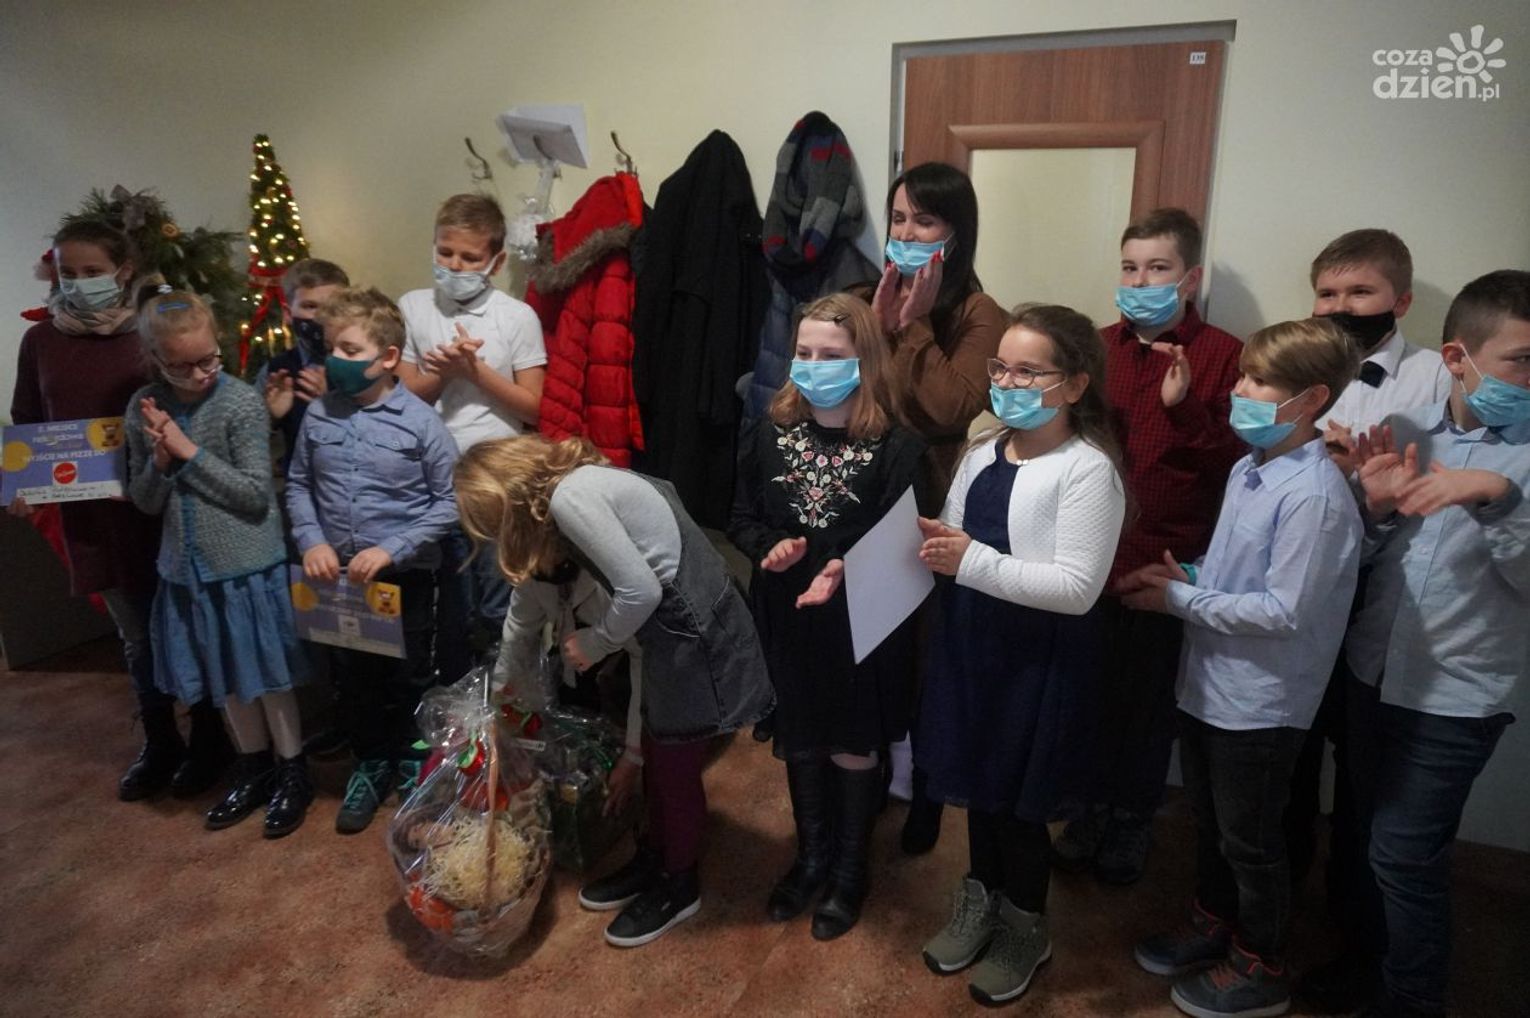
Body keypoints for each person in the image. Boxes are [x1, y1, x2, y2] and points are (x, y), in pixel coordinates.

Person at [1124, 318, 1362, 1018]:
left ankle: (1263, 962)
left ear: (1312, 399)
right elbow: (1237, 570)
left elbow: (1284, 611)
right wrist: (1192, 576)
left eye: (1261, 382)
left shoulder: (1314, 494)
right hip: (1210, 683)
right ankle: (1214, 923)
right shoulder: (1248, 467)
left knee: (1252, 841)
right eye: (1243, 376)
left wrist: (1178, 600)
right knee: (1212, 824)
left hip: (1262, 702)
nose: (1241, 391)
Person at [453, 435, 772, 948]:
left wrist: (596, 642)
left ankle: (679, 884)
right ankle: (656, 858)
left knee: (674, 772)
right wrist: (501, 705)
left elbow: (641, 590)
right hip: (672, 636)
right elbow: (524, 629)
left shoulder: (570, 498)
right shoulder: (575, 491)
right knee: (658, 761)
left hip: (693, 640)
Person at [1321, 270, 1530, 1018]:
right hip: (1371, 671)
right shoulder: (1407, 431)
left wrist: (1497, 498)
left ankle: (1412, 1000)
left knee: (1405, 854)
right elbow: (1359, 562)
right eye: (1522, 361)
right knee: (1359, 839)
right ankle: (1362, 966)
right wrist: (1373, 512)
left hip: (1457, 694)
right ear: (1456, 357)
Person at [914, 304, 1125, 1005]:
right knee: (978, 786)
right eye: (1000, 367)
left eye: (1028, 371)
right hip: (972, 644)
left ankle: (1025, 926)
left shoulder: (1086, 470)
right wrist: (923, 545)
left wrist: (968, 561)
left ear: (1075, 385)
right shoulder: (982, 450)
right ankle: (980, 899)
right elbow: (954, 533)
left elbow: (1077, 589)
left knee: (1021, 804)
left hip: (1037, 658)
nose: (1006, 382)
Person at [1053, 207, 1244, 885]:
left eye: (1157, 268)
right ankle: (1086, 810)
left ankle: (1132, 817)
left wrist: (1183, 407)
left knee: (1145, 707)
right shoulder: (1096, 348)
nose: (1139, 282)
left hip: (1166, 565)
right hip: (1088, 558)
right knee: (1085, 695)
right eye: (1130, 268)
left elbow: (1237, 466)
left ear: (1188, 278)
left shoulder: (1225, 355)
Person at [8, 221, 230, 801]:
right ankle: (160, 740)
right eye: (68, 273)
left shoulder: (149, 333)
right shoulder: (41, 342)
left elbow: (196, 404)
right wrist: (24, 483)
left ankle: (211, 738)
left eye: (92, 272)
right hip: (93, 518)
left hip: (162, 509)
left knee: (188, 625)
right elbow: (29, 423)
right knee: (136, 637)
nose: (78, 282)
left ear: (123, 272)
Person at [728, 294, 925, 940]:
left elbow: (905, 543)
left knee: (851, 741)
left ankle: (849, 870)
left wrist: (843, 565)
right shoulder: (768, 434)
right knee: (803, 735)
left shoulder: (899, 448)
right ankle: (811, 857)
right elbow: (743, 518)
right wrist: (768, 549)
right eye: (804, 353)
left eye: (831, 354)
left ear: (865, 360)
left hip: (860, 620)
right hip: (789, 615)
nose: (814, 366)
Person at [1285, 230, 1454, 946]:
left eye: (1360, 292)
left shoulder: (1435, 379)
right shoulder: (1297, 366)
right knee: (1289, 758)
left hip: (1385, 602)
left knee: (1363, 777)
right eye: (1327, 293)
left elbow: (1437, 490)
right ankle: (1277, 902)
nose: (1341, 306)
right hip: (1298, 593)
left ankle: (1352, 930)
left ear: (1401, 301)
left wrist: (1364, 482)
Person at [854, 161, 1009, 855]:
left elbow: (951, 407)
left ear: (956, 232)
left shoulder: (981, 313)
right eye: (898, 219)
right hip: (870, 492)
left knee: (926, 657)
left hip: (937, 500)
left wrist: (912, 327)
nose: (907, 233)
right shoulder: (871, 296)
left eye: (925, 220)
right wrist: (878, 323)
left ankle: (927, 793)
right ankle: (870, 776)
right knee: (872, 644)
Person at [123, 287, 311, 837]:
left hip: (247, 568)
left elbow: (254, 494)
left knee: (268, 676)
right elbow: (144, 500)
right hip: (187, 572)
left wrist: (187, 452)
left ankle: (292, 769)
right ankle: (253, 767)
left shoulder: (238, 402)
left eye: (209, 359)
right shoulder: (143, 406)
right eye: (182, 366)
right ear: (155, 359)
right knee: (225, 674)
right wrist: (160, 461)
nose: (201, 373)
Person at [285, 287, 460, 833]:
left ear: (387, 358)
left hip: (405, 578)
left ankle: (411, 763)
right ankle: (371, 762)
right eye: (331, 347)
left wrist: (391, 548)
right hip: (338, 579)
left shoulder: (421, 423)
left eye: (350, 349)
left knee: (409, 676)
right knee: (354, 678)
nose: (335, 359)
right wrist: (312, 541)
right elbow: (298, 484)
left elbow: (451, 501)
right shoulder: (318, 415)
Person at [397, 193, 546, 680]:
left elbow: (533, 406)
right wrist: (444, 373)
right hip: (430, 475)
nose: (454, 265)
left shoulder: (516, 316)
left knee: (496, 596)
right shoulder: (413, 306)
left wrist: (475, 371)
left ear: (496, 262)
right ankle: (452, 692)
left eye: (469, 257)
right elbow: (403, 397)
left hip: (496, 478)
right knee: (449, 598)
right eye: (445, 252)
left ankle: (506, 691)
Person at [256, 258, 350, 475]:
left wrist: (331, 405)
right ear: (288, 314)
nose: (322, 317)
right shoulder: (277, 371)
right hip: (299, 483)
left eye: (333, 307)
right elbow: (248, 440)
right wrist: (271, 417)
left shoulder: (363, 366)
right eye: (310, 306)